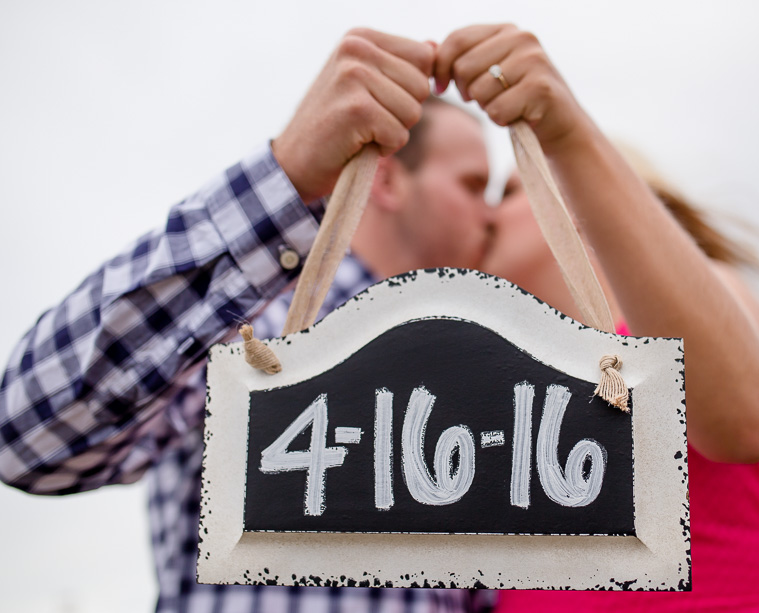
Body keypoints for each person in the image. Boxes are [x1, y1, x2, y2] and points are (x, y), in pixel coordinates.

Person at [0, 28, 493, 613]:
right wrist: (287, 175)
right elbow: (29, 438)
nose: (489, 215)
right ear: (387, 179)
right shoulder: (250, 321)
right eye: (473, 185)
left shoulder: (476, 378)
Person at [436, 24, 759, 611]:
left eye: (510, 191)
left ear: (581, 205)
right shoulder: (505, 384)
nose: (486, 212)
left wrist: (567, 137)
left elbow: (745, 423)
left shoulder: (717, 294)